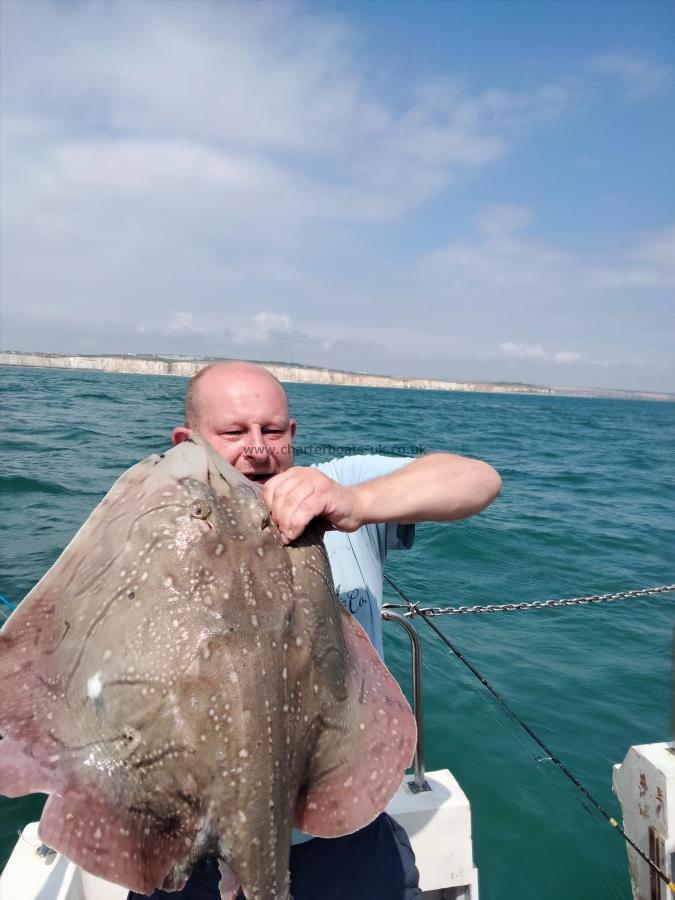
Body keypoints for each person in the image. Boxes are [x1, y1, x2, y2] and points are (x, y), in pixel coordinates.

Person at [130, 360, 501, 900]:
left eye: (273, 430)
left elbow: (477, 479)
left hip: (341, 829)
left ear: (292, 435)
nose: (257, 448)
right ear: (188, 442)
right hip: (191, 839)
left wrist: (357, 503)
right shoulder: (155, 531)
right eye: (233, 432)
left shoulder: (337, 488)